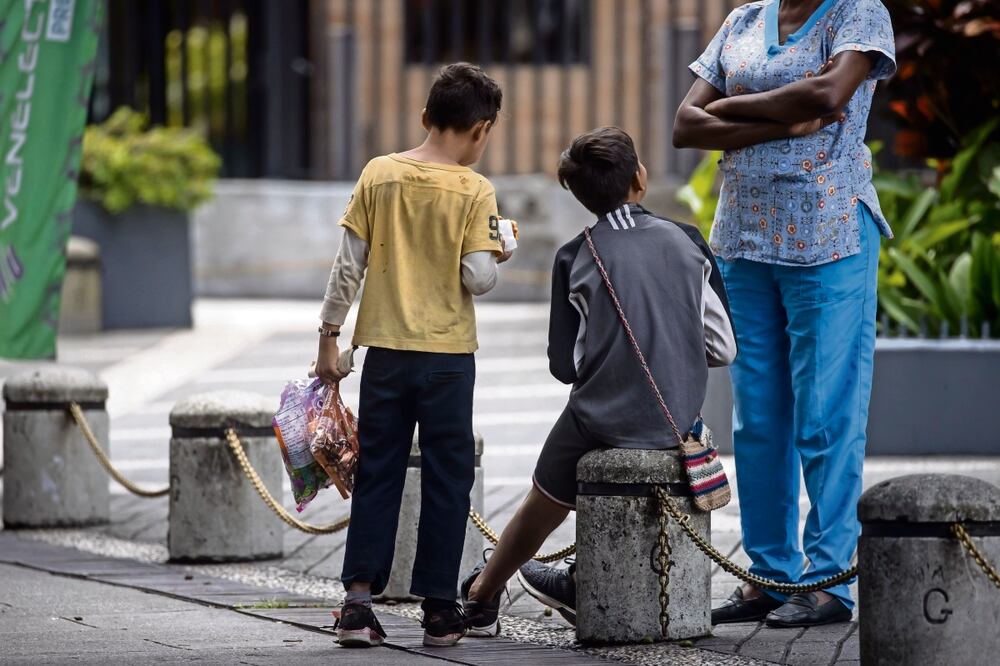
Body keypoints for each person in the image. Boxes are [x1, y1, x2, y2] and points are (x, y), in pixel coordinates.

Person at [460, 126, 737, 634]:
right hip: (678, 418)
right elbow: (724, 348)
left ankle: (481, 594)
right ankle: (576, 574)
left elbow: (565, 366)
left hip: (599, 418)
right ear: (641, 177)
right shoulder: (689, 241)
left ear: (582, 196)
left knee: (541, 499)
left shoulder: (574, 255)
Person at [673, 0, 896, 628]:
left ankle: (829, 581)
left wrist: (732, 108)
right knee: (758, 420)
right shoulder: (743, 21)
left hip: (828, 237)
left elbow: (829, 95)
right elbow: (685, 126)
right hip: (743, 240)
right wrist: (783, 117)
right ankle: (769, 576)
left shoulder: (858, 15)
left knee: (827, 415)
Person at [314, 62, 513, 648]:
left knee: (377, 470)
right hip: (449, 359)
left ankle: (356, 604)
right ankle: (439, 609)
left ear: (426, 118)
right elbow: (477, 278)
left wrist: (329, 335)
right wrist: (497, 250)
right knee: (448, 478)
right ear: (481, 130)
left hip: (385, 355)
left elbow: (348, 265)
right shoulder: (476, 190)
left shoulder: (379, 174)